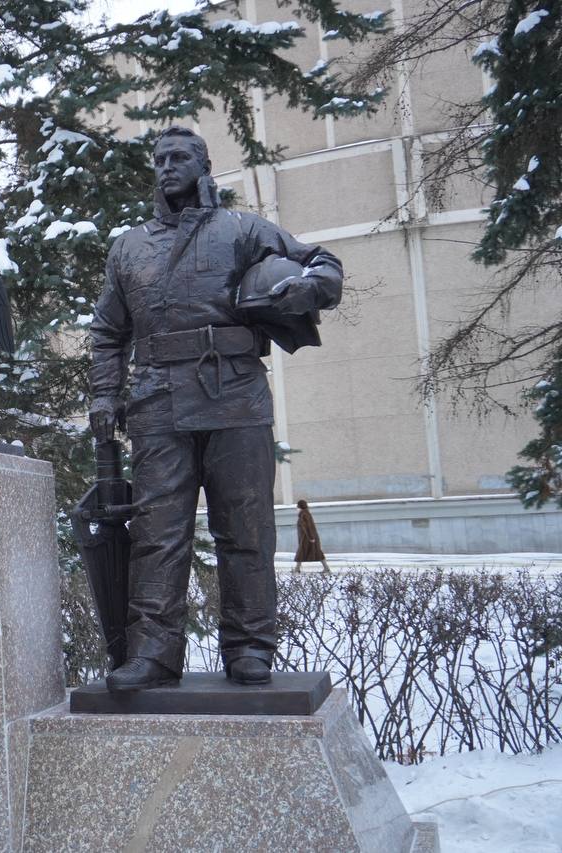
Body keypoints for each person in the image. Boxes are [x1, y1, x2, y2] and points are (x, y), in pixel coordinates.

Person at [88, 125, 343, 690]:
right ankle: (153, 653)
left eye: (180, 157)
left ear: (204, 167)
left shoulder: (242, 229)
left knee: (245, 529)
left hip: (235, 395)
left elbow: (323, 263)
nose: (167, 166)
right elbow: (108, 331)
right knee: (157, 532)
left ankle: (250, 648)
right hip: (157, 401)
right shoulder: (129, 247)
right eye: (159, 159)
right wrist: (105, 394)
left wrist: (307, 289)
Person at [294, 499, 331, 573]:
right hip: (308, 538)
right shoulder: (305, 514)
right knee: (316, 552)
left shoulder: (304, 514)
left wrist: (311, 537)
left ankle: (297, 569)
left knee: (303, 552)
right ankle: (297, 569)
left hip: (307, 539)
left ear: (300, 506)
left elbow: (308, 527)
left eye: (297, 506)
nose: (296, 508)